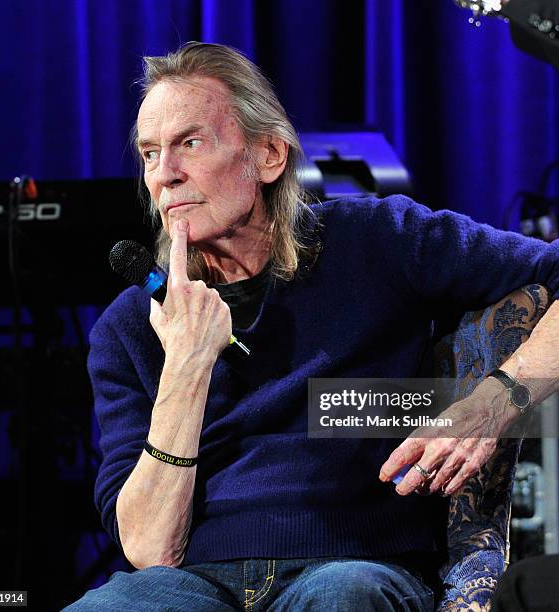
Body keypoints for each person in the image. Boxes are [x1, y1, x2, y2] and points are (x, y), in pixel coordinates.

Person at [64, 42, 559, 611]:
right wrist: (186, 363)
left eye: (190, 143)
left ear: (269, 155)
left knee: (343, 595)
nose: (165, 176)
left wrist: (495, 400)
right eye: (150, 154)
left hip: (352, 565)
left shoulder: (376, 239)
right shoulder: (128, 327)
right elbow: (150, 548)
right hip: (192, 582)